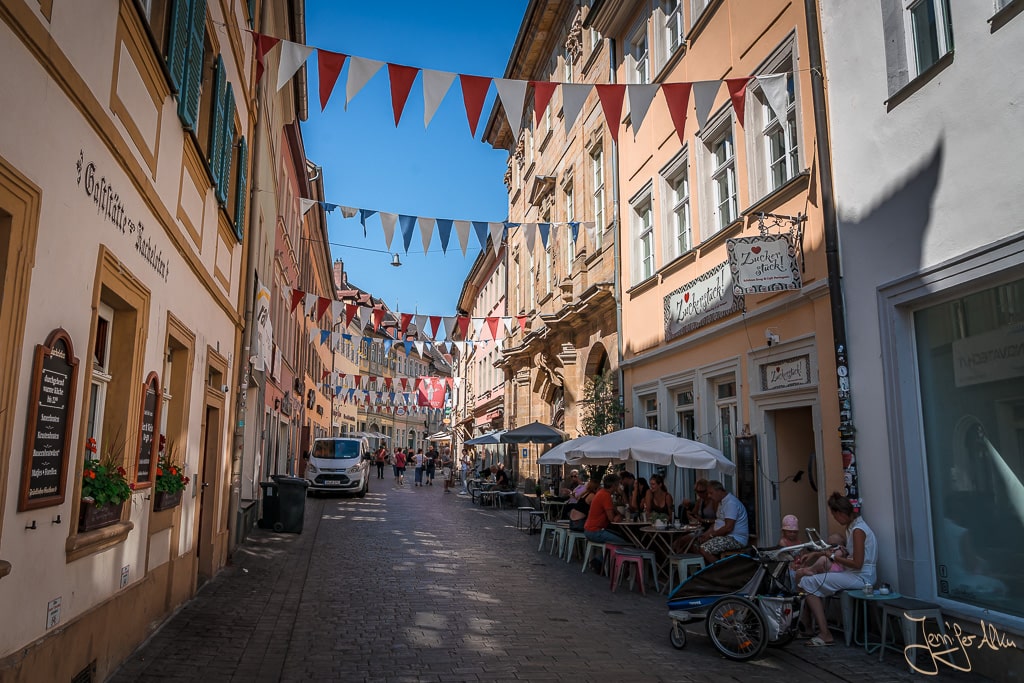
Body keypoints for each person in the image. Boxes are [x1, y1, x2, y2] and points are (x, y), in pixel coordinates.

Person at [799, 492, 878, 647]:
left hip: (861, 577)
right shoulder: (854, 528)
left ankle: (824, 633)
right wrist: (819, 553)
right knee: (810, 580)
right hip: (857, 575)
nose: (836, 520)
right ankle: (813, 626)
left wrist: (834, 558)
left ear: (841, 513)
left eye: (835, 516)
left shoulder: (858, 531)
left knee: (807, 583)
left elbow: (857, 563)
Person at [584, 473, 628, 572]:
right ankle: (617, 568)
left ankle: (599, 562)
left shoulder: (601, 492)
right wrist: (620, 516)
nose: (620, 486)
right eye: (618, 484)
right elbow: (612, 519)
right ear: (614, 485)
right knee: (623, 542)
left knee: (617, 538)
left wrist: (620, 512)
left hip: (589, 529)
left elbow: (613, 509)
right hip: (595, 531)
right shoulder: (605, 496)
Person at [696, 480, 749, 564]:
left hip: (735, 538)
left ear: (719, 491)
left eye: (711, 493)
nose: (709, 496)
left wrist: (711, 535)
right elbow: (718, 522)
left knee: (704, 549)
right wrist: (706, 534)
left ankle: (721, 571)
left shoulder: (731, 503)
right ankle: (709, 569)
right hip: (725, 536)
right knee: (697, 543)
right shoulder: (721, 502)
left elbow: (728, 527)